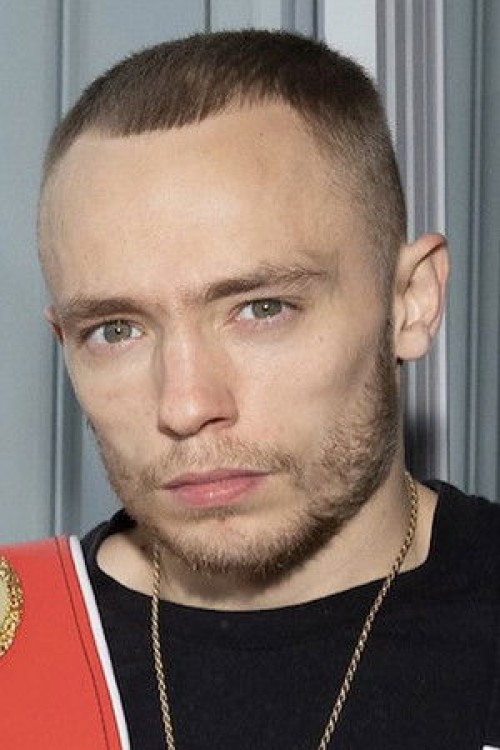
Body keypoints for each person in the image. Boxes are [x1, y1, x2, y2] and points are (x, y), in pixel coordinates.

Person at [1, 29, 499, 750]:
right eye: (115, 330)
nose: (185, 406)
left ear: (412, 302)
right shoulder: (20, 653)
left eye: (262, 309)